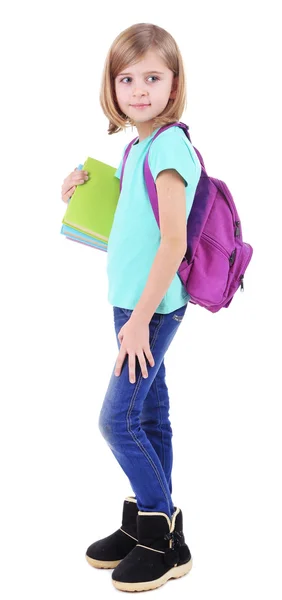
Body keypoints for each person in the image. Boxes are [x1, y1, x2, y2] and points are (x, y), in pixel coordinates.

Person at [61, 22, 201, 593]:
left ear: (173, 85)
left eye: (153, 77)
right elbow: (130, 211)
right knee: (147, 418)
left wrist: (141, 320)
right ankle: (142, 524)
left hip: (151, 309)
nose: (139, 89)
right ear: (112, 87)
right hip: (130, 305)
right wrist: (77, 187)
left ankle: (164, 538)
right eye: (127, 78)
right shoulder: (138, 145)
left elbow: (174, 241)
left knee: (115, 421)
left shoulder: (170, 146)